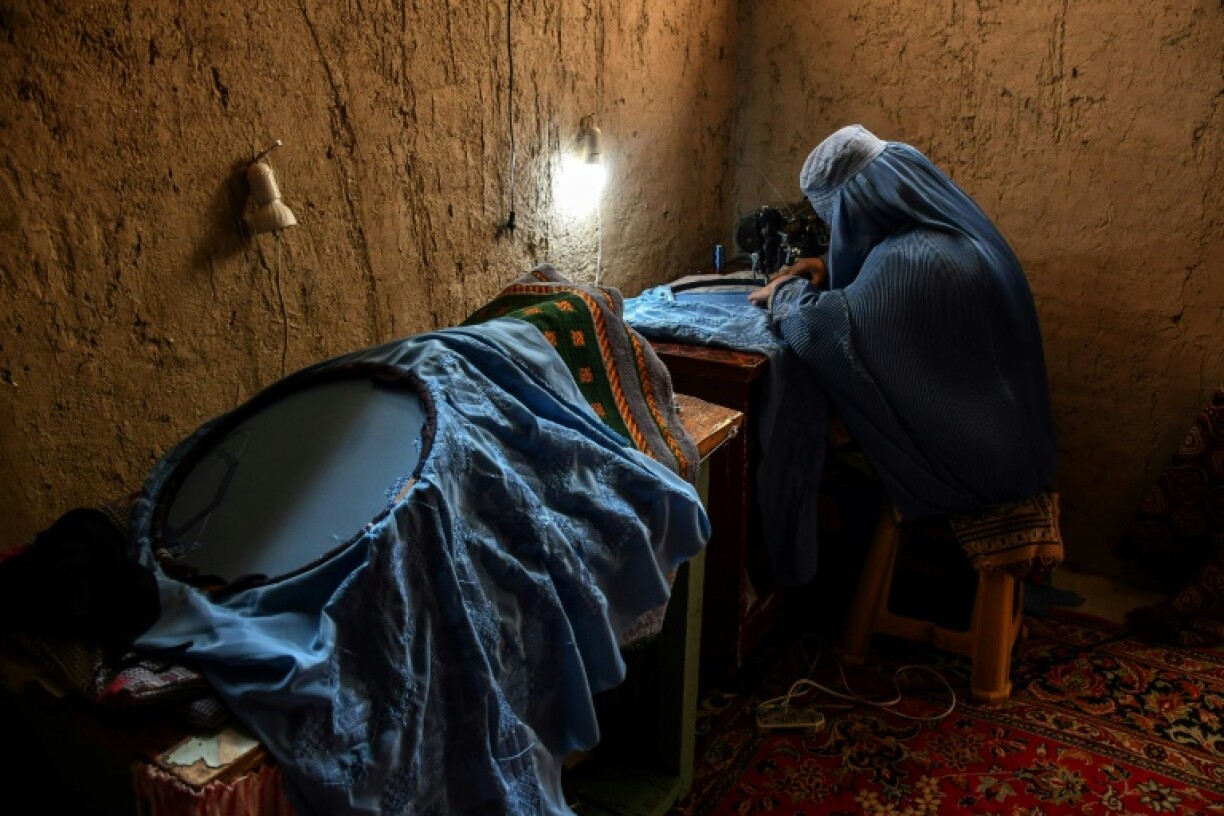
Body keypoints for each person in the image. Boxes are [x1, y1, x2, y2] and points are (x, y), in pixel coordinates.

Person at [750, 125, 1057, 550]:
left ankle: (798, 569)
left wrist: (785, 293)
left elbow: (820, 333)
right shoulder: (951, 230)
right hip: (1018, 441)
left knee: (810, 429)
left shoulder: (914, 259)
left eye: (838, 222)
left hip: (981, 469)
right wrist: (825, 262)